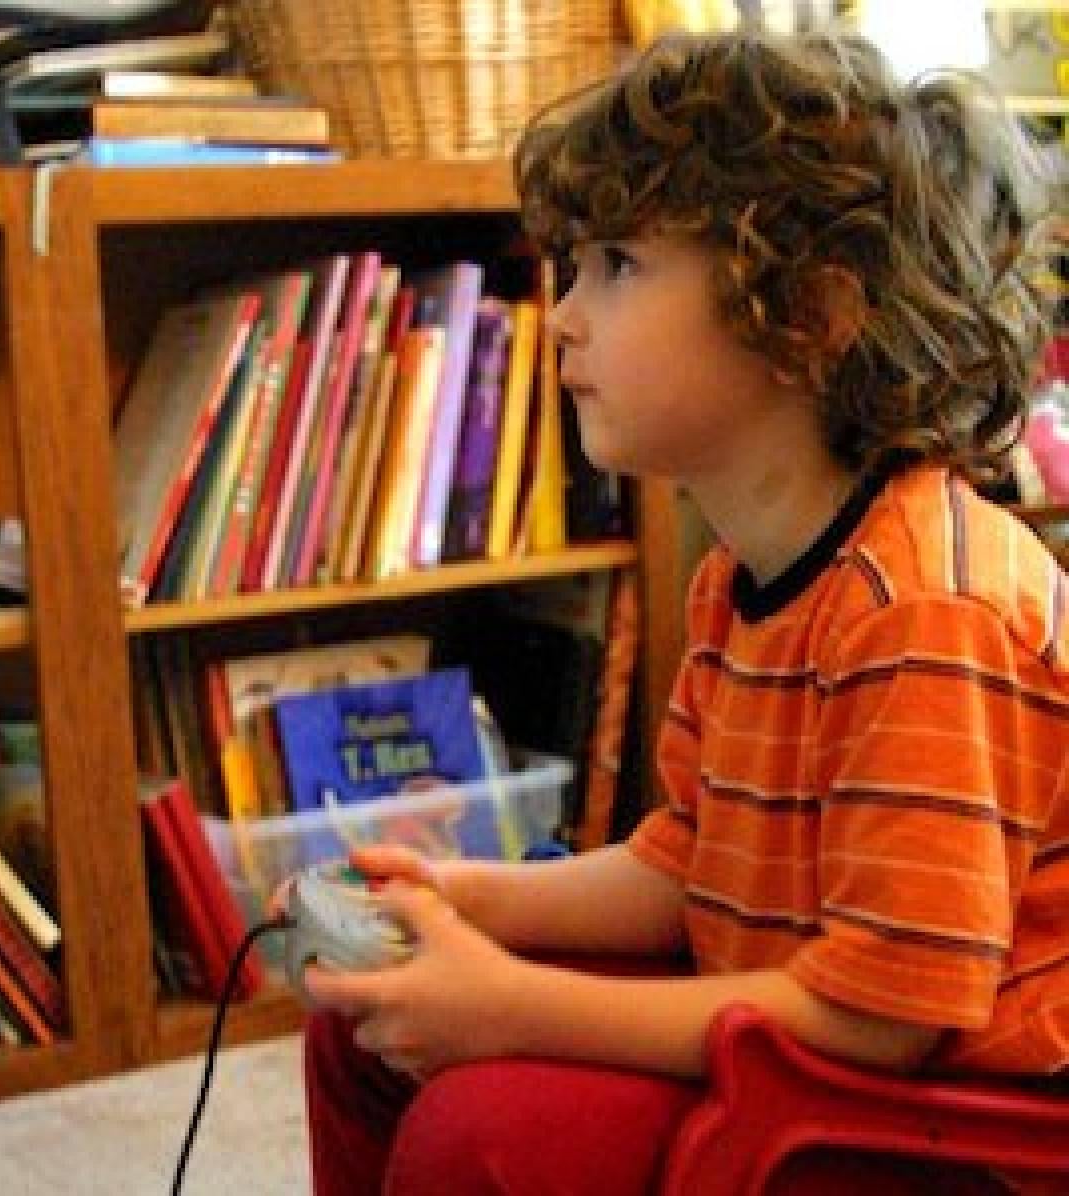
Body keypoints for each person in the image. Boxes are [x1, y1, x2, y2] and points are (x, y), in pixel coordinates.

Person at [298, 27, 1069, 1196]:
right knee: (364, 1022)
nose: (561, 315)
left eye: (616, 263)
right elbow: (688, 864)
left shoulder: (930, 606)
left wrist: (515, 1007)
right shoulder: (740, 571)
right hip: (809, 1030)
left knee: (482, 1126)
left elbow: (884, 1018)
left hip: (945, 1117)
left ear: (808, 314)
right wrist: (472, 899)